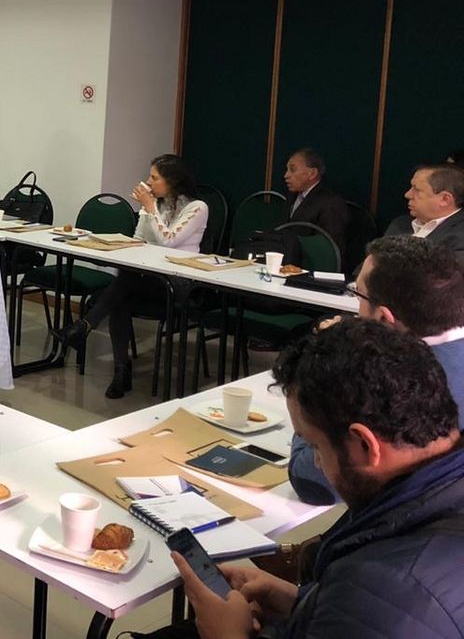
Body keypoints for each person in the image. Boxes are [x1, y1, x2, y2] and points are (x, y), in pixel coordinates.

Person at [166, 319, 464, 639]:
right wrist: (301, 601)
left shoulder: (380, 585)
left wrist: (227, 635)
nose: (318, 464)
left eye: (314, 446)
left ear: (365, 445)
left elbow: (381, 610)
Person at [288, 235, 464, 504]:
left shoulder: (399, 383)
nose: (354, 309)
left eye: (358, 295)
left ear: (384, 318)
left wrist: (319, 378)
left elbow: (310, 481)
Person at [60, 154, 208, 398]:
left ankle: (85, 327)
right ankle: (120, 370)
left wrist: (150, 208)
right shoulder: (157, 205)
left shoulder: (197, 208)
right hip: (148, 277)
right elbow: (139, 239)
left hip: (178, 283)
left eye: (154, 178)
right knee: (122, 294)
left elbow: (168, 241)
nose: (148, 182)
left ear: (172, 180)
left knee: (123, 285)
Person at [384, 163, 464, 262]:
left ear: (445, 199)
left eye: (417, 190)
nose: (407, 194)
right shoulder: (400, 224)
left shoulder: (460, 238)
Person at [281, 148, 350, 257]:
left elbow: (331, 249)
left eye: (292, 170)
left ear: (312, 173)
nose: (286, 175)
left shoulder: (331, 204)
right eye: (287, 170)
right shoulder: (291, 196)